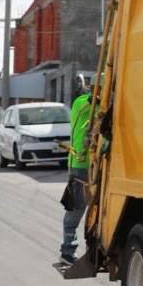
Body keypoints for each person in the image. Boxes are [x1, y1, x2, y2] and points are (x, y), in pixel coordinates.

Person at [60, 84, 93, 265]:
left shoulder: (93, 106)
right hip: (80, 166)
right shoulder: (82, 103)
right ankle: (67, 251)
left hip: (92, 166)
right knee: (76, 209)